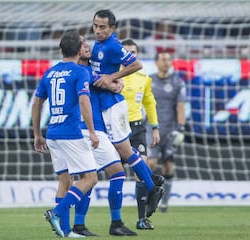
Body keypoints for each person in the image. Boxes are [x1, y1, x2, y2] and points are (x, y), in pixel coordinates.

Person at [91, 9, 164, 218]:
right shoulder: (99, 44)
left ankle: (152, 186)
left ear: (112, 28)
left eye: (102, 27)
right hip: (106, 105)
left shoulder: (113, 45)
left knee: (125, 152)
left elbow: (136, 64)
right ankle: (153, 183)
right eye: (95, 26)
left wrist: (113, 76)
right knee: (123, 156)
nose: (98, 30)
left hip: (114, 107)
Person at [31, 31, 99, 238]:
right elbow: (84, 100)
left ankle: (66, 231)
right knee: (90, 178)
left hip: (52, 133)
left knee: (65, 181)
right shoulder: (80, 72)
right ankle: (57, 213)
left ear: (61, 50)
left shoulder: (49, 73)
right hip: (70, 132)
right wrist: (93, 131)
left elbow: (36, 103)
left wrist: (37, 134)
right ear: (80, 51)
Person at [72, 36, 137, 237]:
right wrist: (115, 84)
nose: (87, 46)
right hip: (91, 131)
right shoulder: (83, 71)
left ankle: (79, 225)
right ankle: (113, 223)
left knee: (89, 178)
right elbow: (109, 84)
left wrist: (117, 81)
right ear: (76, 51)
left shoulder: (82, 69)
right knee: (114, 173)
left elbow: (107, 80)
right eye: (83, 45)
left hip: (83, 131)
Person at [120, 38, 163, 230]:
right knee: (113, 173)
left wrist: (155, 127)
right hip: (117, 129)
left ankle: (142, 219)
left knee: (140, 171)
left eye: (134, 52)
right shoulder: (113, 76)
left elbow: (149, 102)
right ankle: (154, 180)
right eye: (127, 52)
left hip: (137, 129)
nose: (130, 55)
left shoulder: (144, 78)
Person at [147, 50, 187, 213]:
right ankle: (149, 197)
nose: (166, 62)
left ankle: (164, 203)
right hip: (152, 127)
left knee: (168, 166)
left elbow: (180, 106)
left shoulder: (178, 82)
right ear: (156, 62)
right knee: (150, 163)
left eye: (169, 60)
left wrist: (181, 128)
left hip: (170, 130)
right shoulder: (148, 80)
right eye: (163, 59)